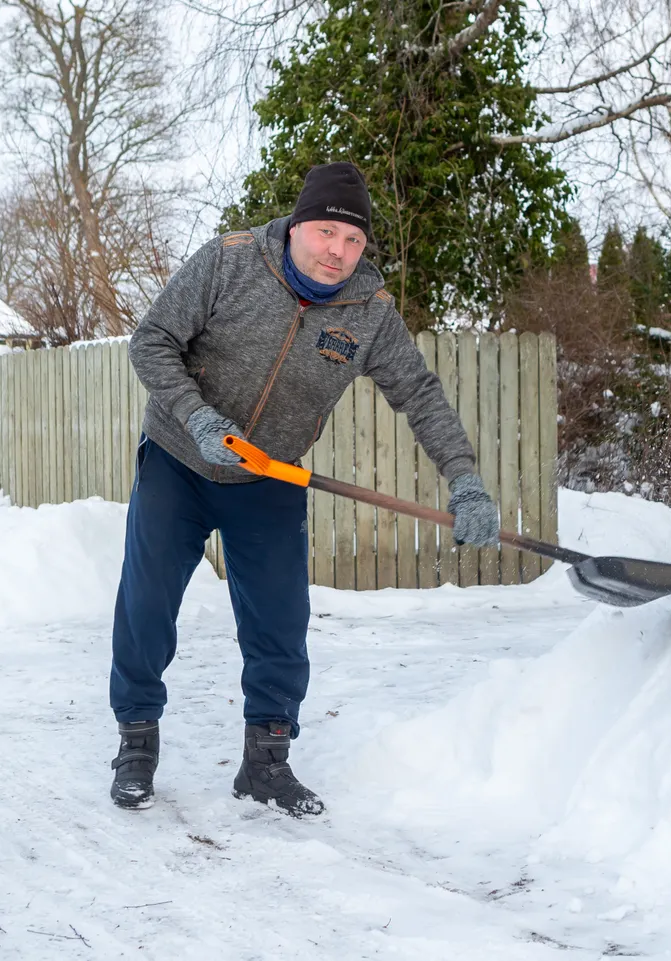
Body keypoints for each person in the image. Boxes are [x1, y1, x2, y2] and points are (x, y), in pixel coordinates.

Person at [109, 161, 500, 816]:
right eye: (325, 233)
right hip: (180, 459)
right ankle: (136, 742)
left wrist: (464, 479)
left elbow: (420, 394)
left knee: (280, 624)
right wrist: (198, 416)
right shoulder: (228, 262)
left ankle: (266, 761)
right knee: (147, 605)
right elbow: (151, 342)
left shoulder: (368, 313)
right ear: (296, 225)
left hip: (269, 474)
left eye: (353, 242)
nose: (337, 252)